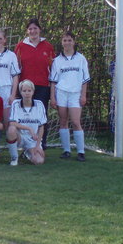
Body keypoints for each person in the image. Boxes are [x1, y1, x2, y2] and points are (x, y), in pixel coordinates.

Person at [49, 32, 90, 161]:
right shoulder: (57, 60)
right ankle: (66, 150)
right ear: (62, 43)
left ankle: (81, 151)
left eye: (69, 40)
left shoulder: (81, 58)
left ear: (74, 42)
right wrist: (53, 97)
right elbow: (53, 81)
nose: (67, 43)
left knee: (76, 122)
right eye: (65, 40)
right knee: (63, 122)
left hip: (75, 94)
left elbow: (85, 80)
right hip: (61, 93)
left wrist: (83, 95)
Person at [14, 19, 55, 149]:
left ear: (39, 30)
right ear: (27, 31)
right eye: (30, 29)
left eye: (35, 28)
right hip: (25, 87)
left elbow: (52, 68)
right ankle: (23, 143)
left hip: (42, 86)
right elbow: (16, 68)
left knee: (41, 116)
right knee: (24, 115)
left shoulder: (48, 46)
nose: (33, 31)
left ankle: (41, 143)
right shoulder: (20, 46)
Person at [7, 79, 47, 165]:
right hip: (20, 136)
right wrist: (29, 129)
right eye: (24, 91)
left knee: (39, 161)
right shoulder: (16, 104)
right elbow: (12, 123)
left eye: (29, 90)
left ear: (33, 91)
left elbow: (41, 127)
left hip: (33, 139)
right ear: (20, 92)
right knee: (11, 129)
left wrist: (37, 146)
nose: (27, 93)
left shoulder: (39, 104)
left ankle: (27, 152)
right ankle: (14, 158)